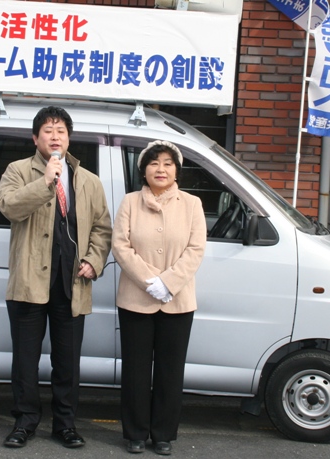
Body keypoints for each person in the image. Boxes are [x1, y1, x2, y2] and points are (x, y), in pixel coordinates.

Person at [0, 106, 112, 449]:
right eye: (48, 131)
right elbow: (9, 206)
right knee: (25, 361)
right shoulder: (18, 171)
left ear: (69, 138)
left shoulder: (88, 180)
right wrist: (45, 181)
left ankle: (65, 425)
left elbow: (103, 228)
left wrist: (94, 260)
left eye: (61, 131)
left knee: (67, 362)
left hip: (71, 283)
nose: (55, 136)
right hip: (28, 283)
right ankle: (24, 422)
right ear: (36, 138)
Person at [111, 140, 206, 456]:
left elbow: (196, 249)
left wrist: (168, 283)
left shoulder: (192, 204)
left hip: (178, 301)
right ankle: (135, 433)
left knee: (170, 370)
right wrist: (149, 281)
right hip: (135, 298)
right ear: (143, 170)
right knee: (135, 370)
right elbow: (120, 246)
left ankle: (163, 434)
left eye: (167, 163)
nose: (160, 169)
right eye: (154, 163)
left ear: (177, 170)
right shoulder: (129, 202)